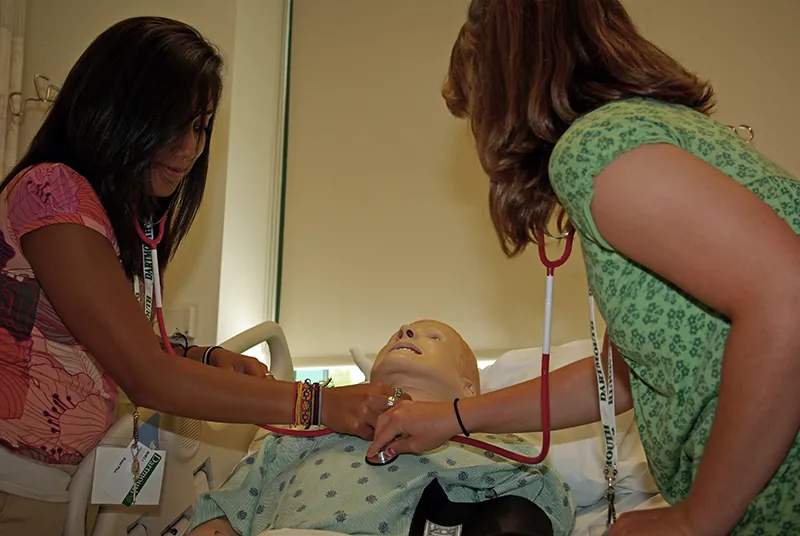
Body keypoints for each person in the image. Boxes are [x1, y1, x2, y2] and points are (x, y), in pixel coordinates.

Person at [368, 1, 800, 535]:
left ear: (501, 85)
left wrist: (697, 518)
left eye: (474, 108)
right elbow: (614, 380)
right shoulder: (646, 135)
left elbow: (787, 296)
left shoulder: (596, 150)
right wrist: (453, 416)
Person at [0, 17, 404, 536]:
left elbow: (104, 342)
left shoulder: (113, 216)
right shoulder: (52, 193)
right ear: (120, 109)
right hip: (17, 491)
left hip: (63, 484)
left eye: (200, 125)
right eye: (175, 123)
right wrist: (318, 403)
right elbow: (145, 375)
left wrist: (205, 359)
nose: (190, 149)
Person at [188, 320, 576, 536]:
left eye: (432, 336)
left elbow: (539, 509)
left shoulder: (491, 444)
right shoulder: (304, 431)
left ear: (468, 389)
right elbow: (227, 507)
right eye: (399, 333)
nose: (406, 333)